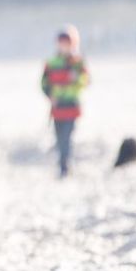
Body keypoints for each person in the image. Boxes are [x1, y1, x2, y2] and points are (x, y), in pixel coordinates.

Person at [41, 25, 90, 177]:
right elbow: (44, 82)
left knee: (67, 136)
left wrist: (76, 79)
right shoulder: (52, 62)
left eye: (67, 44)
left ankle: (65, 164)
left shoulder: (77, 62)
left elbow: (86, 80)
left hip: (71, 106)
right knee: (58, 136)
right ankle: (62, 161)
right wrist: (50, 95)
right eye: (61, 43)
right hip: (57, 108)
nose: (64, 47)